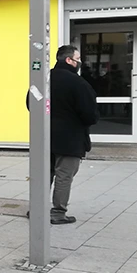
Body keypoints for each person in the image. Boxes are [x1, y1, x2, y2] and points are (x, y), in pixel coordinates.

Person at [49, 45, 99, 225]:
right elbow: (90, 114)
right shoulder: (78, 83)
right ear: (69, 60)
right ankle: (57, 212)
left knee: (44, 174)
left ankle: (37, 209)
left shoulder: (43, 79)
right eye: (78, 59)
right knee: (64, 175)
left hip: (45, 136)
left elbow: (31, 103)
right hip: (70, 139)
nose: (80, 63)